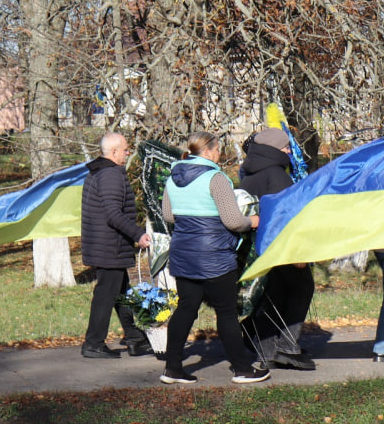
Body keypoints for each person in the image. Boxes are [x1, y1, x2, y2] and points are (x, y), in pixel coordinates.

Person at [159, 131, 267, 385]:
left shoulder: (173, 176)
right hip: (215, 256)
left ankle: (172, 369)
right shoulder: (215, 178)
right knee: (226, 313)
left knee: (186, 309)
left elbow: (168, 216)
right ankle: (242, 369)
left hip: (184, 255)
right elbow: (233, 221)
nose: (220, 154)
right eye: (218, 149)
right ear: (207, 151)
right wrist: (252, 221)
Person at [240, 127, 315, 371]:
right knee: (302, 287)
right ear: (274, 149)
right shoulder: (277, 175)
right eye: (286, 147)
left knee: (273, 295)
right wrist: (298, 253)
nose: (289, 151)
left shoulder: (249, 173)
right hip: (282, 246)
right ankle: (287, 347)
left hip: (259, 246)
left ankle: (267, 350)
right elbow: (286, 217)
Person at [79, 132, 152, 359]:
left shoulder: (99, 172)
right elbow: (113, 214)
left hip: (105, 244)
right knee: (106, 294)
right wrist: (138, 234)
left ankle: (134, 337)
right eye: (125, 149)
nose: (128, 152)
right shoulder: (110, 175)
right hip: (110, 246)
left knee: (121, 292)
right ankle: (93, 343)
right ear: (114, 152)